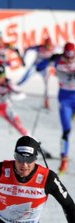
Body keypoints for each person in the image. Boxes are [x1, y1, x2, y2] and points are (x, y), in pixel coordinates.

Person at [37, 42, 75, 174]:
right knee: (66, 130)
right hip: (65, 98)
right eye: (68, 57)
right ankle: (64, 158)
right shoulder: (58, 59)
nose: (70, 59)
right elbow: (39, 67)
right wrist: (49, 59)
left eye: (72, 57)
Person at [0, 65, 31, 157]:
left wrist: (11, 95)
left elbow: (22, 94)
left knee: (18, 124)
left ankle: (32, 142)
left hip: (5, 107)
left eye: (1, 75)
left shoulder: (9, 83)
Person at [18, 38, 55, 109]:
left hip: (44, 69)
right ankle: (13, 89)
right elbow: (27, 49)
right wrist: (23, 58)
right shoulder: (40, 47)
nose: (48, 47)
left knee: (47, 85)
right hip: (35, 66)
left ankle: (46, 101)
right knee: (25, 78)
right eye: (47, 45)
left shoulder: (54, 48)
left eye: (49, 45)